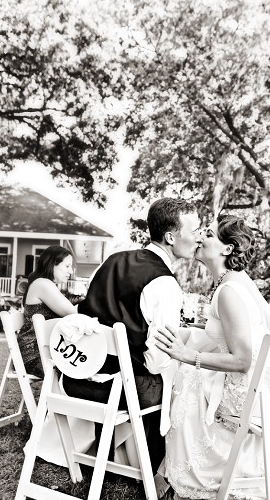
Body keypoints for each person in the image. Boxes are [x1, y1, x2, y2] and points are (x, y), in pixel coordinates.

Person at [153, 214, 270, 500]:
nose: (199, 238)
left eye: (207, 234)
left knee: (188, 377)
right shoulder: (236, 280)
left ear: (226, 249)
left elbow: (242, 360)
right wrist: (198, 334)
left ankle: (186, 474)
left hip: (251, 392)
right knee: (197, 373)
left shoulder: (228, 291)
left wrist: (188, 355)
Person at [62, 197, 203, 476]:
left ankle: (119, 455)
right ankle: (153, 467)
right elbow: (157, 361)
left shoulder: (111, 261)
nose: (199, 238)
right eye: (195, 231)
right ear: (171, 237)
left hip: (76, 376)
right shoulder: (164, 284)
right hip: (122, 389)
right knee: (186, 384)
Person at [16, 246, 77, 377]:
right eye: (67, 266)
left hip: (43, 351)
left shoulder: (43, 283)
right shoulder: (42, 284)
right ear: (52, 264)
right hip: (34, 355)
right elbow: (73, 314)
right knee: (80, 371)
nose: (71, 271)